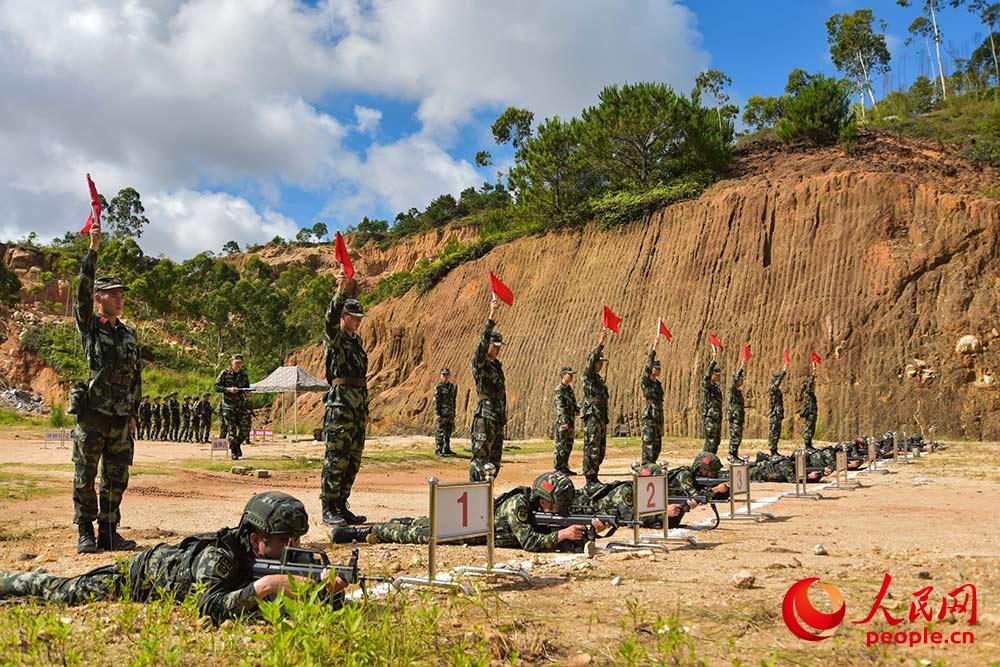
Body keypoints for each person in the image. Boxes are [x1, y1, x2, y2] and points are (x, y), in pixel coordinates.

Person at [0, 492, 347, 624]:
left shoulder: (262, 555)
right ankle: (15, 580)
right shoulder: (219, 558)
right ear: (257, 539)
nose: (293, 547)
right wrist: (270, 585)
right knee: (66, 592)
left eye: (296, 540)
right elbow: (209, 606)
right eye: (284, 540)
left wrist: (328, 591)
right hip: (140, 574)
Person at [70, 219, 142, 554]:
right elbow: (81, 291)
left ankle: (109, 532)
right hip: (93, 413)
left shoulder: (128, 334)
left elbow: (135, 376)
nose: (120, 299)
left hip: (119, 416)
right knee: (86, 475)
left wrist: (133, 413)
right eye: (114, 295)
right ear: (100, 298)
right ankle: (85, 531)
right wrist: (93, 250)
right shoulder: (90, 326)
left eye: (122, 295)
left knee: (116, 477)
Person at [332, 472, 609, 553]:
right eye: (557, 505)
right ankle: (366, 531)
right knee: (414, 535)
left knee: (421, 523)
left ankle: (404, 520)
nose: (561, 510)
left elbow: (560, 531)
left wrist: (591, 531)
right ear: (543, 500)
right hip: (470, 529)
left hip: (471, 520)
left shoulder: (546, 509)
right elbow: (530, 542)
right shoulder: (519, 507)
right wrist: (563, 534)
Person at [320, 267, 369, 526]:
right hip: (339, 407)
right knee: (336, 458)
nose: (358, 320)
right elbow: (329, 321)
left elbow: (362, 380)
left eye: (360, 316)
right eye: (353, 316)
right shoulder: (336, 339)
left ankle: (341, 504)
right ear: (344, 317)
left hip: (356, 408)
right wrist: (340, 291)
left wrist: (365, 412)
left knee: (352, 460)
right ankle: (328, 507)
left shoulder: (357, 343)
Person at [469, 296, 507, 482]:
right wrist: (491, 317)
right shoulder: (480, 363)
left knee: (495, 461)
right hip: (485, 417)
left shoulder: (497, 366)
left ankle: (487, 494)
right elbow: (481, 344)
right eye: (495, 345)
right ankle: (475, 494)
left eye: (500, 346)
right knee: (480, 459)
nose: (498, 349)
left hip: (497, 419)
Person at [581, 328, 610, 486]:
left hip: (600, 417)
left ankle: (595, 475)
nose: (600, 364)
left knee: (600, 448)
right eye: (599, 362)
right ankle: (589, 478)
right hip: (592, 417)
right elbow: (591, 360)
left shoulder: (598, 380)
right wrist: (600, 344)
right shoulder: (589, 375)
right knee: (591, 446)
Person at [216, 355, 252, 460]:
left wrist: (247, 393)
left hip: (241, 405)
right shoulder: (224, 373)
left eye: (240, 363)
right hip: (228, 406)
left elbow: (247, 388)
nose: (238, 365)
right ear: (232, 362)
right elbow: (217, 387)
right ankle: (233, 452)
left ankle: (236, 445)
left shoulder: (244, 375)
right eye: (236, 363)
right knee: (231, 430)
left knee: (246, 428)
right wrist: (228, 389)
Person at [640, 334, 664, 465]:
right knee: (648, 444)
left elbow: (660, 404)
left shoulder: (658, 385)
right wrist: (654, 348)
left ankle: (653, 466)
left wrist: (662, 424)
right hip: (649, 416)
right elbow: (647, 367)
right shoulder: (646, 382)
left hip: (657, 416)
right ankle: (646, 466)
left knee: (657, 445)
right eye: (656, 368)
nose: (658, 370)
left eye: (660, 368)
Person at [552, 366, 580, 475]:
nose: (572, 376)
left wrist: (578, 409)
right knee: (561, 445)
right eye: (570, 374)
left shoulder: (569, 389)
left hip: (570, 420)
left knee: (568, 444)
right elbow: (560, 406)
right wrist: (564, 422)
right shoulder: (559, 389)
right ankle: (559, 468)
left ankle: (565, 466)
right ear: (563, 375)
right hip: (563, 422)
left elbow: (572, 404)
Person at [700, 346, 723, 455]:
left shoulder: (716, 387)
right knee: (710, 441)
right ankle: (705, 462)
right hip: (710, 417)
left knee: (716, 441)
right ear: (712, 375)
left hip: (717, 416)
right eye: (717, 375)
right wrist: (713, 361)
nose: (719, 377)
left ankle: (712, 460)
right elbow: (706, 377)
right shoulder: (707, 385)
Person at [433, 368, 457, 457]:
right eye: (443, 375)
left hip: (450, 413)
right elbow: (436, 401)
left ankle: (447, 449)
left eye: (447, 375)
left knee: (448, 432)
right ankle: (438, 450)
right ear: (440, 376)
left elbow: (453, 400)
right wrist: (437, 414)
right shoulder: (438, 387)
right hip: (442, 414)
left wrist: (454, 412)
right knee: (440, 432)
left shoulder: (452, 387)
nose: (445, 377)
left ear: (449, 376)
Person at [727, 360, 747, 464]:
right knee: (735, 435)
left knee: (738, 437)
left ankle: (735, 455)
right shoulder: (733, 389)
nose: (742, 380)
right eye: (741, 379)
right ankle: (731, 455)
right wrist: (742, 366)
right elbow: (734, 380)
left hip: (738, 417)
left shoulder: (738, 391)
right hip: (735, 417)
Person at [767, 364, 787, 456]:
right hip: (775, 415)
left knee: (777, 432)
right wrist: (783, 371)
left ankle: (775, 449)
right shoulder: (773, 388)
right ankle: (772, 450)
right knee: (774, 432)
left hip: (778, 414)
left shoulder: (776, 390)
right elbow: (778, 382)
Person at [799, 361, 818, 450]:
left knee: (811, 428)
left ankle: (809, 444)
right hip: (810, 413)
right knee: (809, 428)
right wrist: (814, 370)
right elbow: (810, 383)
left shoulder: (810, 393)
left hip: (812, 413)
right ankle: (807, 445)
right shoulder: (808, 392)